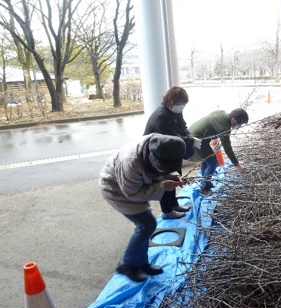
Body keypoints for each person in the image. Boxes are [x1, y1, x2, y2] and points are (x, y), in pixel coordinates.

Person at [99, 133, 186, 282]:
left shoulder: (160, 146)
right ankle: (127, 264)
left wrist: (170, 176)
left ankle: (141, 263)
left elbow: (158, 170)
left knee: (147, 225)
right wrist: (163, 186)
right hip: (116, 189)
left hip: (133, 187)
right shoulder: (131, 162)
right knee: (146, 224)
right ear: (152, 157)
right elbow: (133, 193)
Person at [144, 86, 202, 219]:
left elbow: (183, 127)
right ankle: (167, 212)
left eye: (183, 105)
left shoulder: (175, 111)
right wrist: (191, 141)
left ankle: (174, 204)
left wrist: (190, 136)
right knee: (166, 180)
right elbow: (172, 137)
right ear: (170, 101)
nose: (181, 107)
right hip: (158, 152)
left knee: (175, 177)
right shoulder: (161, 116)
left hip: (170, 150)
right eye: (179, 104)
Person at [189, 108, 249, 195]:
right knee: (212, 161)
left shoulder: (222, 113)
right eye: (239, 124)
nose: (238, 127)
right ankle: (204, 187)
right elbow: (227, 148)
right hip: (196, 140)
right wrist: (237, 164)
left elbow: (212, 118)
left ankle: (207, 183)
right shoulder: (224, 127)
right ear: (233, 120)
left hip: (195, 136)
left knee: (207, 159)